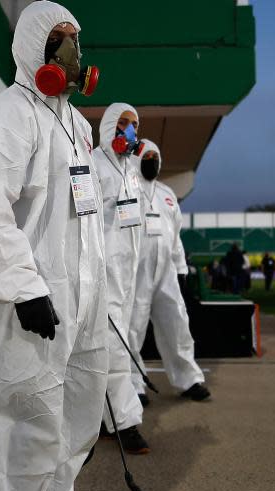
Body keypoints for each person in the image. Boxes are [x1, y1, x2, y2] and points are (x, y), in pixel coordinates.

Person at [0, 2, 110, 491]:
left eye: (75, 40)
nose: (72, 53)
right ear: (33, 48)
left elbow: (85, 217)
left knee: (74, 415)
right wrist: (24, 289)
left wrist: (100, 293)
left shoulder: (76, 124)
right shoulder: (9, 116)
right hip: (36, 300)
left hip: (84, 302)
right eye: (60, 40)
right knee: (25, 418)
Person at [128, 139, 212, 404]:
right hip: (134, 271)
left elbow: (175, 236)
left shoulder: (167, 194)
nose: (152, 160)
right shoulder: (125, 188)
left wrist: (180, 268)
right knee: (132, 328)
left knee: (177, 323)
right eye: (146, 156)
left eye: (155, 156)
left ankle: (189, 379)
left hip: (165, 272)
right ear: (135, 158)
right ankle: (132, 386)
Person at [94, 102, 150, 454]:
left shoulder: (130, 171)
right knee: (114, 350)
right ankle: (126, 422)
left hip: (127, 276)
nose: (130, 130)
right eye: (124, 123)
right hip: (104, 274)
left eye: (135, 124)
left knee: (116, 346)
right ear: (110, 125)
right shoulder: (95, 166)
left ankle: (103, 418)